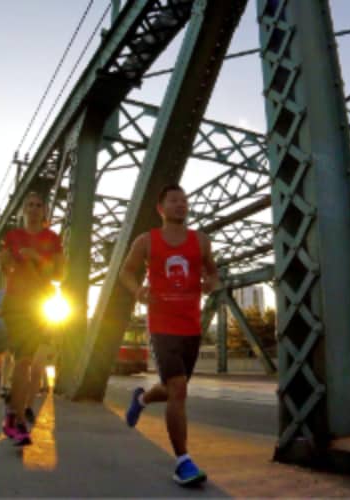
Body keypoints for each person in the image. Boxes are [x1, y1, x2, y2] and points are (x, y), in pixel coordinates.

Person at [119, 184, 220, 486]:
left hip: (191, 325)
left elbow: (213, 272)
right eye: (174, 201)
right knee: (178, 390)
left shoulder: (201, 241)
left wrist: (211, 282)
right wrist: (137, 290)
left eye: (184, 200)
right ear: (161, 208)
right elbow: (126, 271)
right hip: (162, 325)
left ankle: (142, 399)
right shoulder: (146, 241)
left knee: (173, 389)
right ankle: (183, 462)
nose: (181, 204)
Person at [0, 191, 64, 446]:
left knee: (26, 361)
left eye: (39, 205)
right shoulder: (13, 236)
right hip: (15, 303)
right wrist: (7, 261)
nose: (34, 209)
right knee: (24, 361)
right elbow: (4, 266)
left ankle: (12, 415)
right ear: (24, 210)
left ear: (45, 211)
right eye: (30, 205)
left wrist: (37, 258)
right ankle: (17, 422)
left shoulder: (53, 239)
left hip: (39, 305)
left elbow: (59, 274)